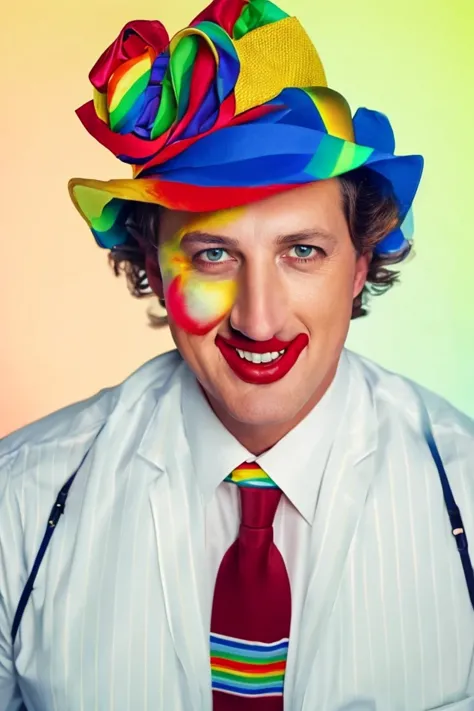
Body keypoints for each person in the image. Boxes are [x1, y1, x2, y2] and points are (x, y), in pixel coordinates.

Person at [0, 0, 473, 709]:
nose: (259, 319)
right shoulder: (18, 501)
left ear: (358, 264)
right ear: (155, 269)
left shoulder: (464, 492)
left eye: (301, 251)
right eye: (214, 253)